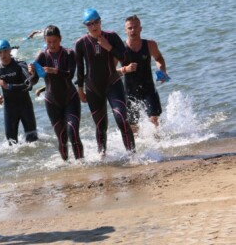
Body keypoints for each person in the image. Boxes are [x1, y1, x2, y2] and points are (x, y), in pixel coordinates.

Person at [75, 8, 135, 156]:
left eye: (96, 22)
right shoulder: (81, 43)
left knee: (121, 118)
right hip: (93, 88)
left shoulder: (112, 37)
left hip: (113, 83)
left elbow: (125, 59)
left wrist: (108, 47)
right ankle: (102, 156)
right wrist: (80, 89)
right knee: (101, 126)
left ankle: (133, 155)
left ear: (100, 22)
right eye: (89, 24)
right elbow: (80, 68)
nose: (94, 26)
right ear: (85, 26)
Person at [30, 25, 84, 161]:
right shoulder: (42, 56)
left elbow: (70, 75)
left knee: (73, 132)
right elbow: (34, 80)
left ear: (60, 39)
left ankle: (82, 165)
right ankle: (67, 166)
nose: (52, 45)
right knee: (61, 137)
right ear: (44, 40)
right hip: (52, 102)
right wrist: (32, 72)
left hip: (70, 98)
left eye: (54, 41)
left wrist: (54, 71)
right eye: (48, 42)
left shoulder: (69, 53)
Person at [120, 15, 168, 133]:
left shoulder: (150, 44)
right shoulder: (121, 48)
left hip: (148, 88)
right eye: (130, 28)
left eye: (135, 27)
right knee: (133, 126)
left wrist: (161, 70)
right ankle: (137, 149)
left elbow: (159, 58)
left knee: (154, 119)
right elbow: (110, 70)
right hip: (129, 91)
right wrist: (125, 69)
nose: (133, 30)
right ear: (125, 30)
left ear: (140, 28)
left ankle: (161, 145)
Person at [0, 39, 38, 145]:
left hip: (25, 106)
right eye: (0, 52)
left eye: (5, 51)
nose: (3, 55)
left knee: (33, 141)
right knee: (11, 144)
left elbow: (28, 85)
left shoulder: (19, 65)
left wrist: (9, 87)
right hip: (10, 108)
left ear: (10, 50)